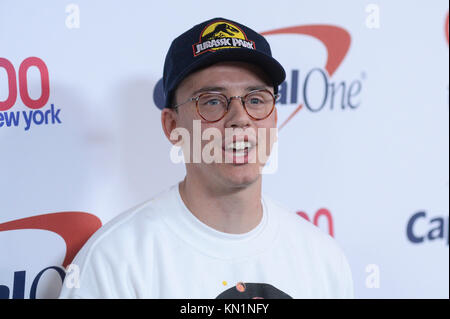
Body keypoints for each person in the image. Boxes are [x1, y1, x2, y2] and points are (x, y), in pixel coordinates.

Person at [59, 17, 354, 299]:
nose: (240, 119)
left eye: (255, 100)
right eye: (212, 101)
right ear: (172, 126)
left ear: (274, 119)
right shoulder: (115, 262)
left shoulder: (322, 260)